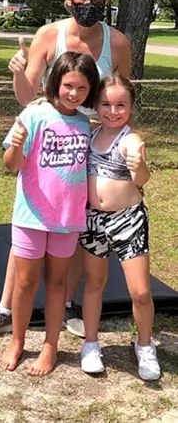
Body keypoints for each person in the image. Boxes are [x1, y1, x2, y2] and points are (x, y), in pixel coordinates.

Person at [0, 0, 131, 342]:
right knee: (30, 221)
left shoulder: (117, 43)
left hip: (92, 146)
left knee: (75, 227)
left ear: (106, 0)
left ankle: (68, 304)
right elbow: (29, 99)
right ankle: (6, 309)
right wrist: (18, 72)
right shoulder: (48, 35)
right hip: (49, 142)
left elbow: (121, 98)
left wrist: (125, 148)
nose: (88, 4)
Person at [0, 51, 100, 376]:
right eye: (68, 85)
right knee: (26, 283)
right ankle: (17, 340)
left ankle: (49, 347)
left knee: (57, 284)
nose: (74, 94)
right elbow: (12, 165)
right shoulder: (33, 115)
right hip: (30, 216)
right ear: (56, 81)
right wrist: (16, 144)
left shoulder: (85, 125)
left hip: (67, 220)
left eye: (82, 89)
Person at [79, 74, 161, 381]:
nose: (113, 111)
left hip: (128, 221)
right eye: (106, 104)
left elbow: (142, 178)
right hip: (92, 221)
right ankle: (90, 344)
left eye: (120, 105)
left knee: (140, 291)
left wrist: (139, 167)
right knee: (94, 284)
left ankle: (145, 346)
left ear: (131, 107)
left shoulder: (131, 139)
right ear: (96, 106)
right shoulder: (89, 135)